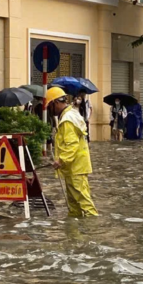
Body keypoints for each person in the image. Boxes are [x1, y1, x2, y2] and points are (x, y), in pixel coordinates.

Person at [47, 87, 98, 218]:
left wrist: (60, 160)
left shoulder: (67, 120)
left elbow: (71, 145)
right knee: (74, 206)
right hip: (74, 167)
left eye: (49, 106)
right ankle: (73, 235)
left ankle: (92, 232)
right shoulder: (71, 114)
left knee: (85, 205)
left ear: (55, 103)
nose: (48, 110)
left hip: (76, 168)